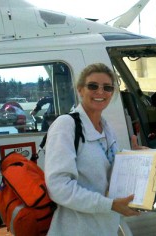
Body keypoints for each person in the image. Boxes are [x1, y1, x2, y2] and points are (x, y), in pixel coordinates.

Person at [45, 63, 145, 236]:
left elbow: (109, 175)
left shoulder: (106, 128)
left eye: (107, 87)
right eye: (93, 86)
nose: (100, 92)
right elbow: (59, 187)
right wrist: (109, 204)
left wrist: (135, 160)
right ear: (80, 90)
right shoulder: (65, 125)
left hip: (106, 226)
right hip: (76, 229)